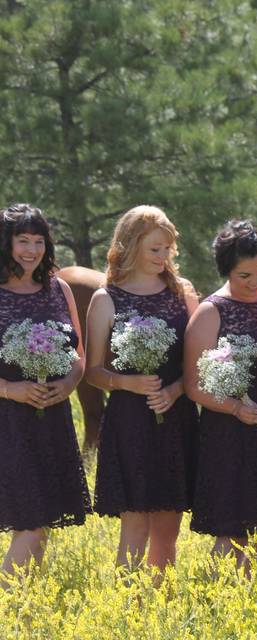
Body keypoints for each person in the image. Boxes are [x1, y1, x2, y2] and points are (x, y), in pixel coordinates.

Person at [84, 206, 199, 573]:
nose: (162, 257)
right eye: (154, 249)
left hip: (176, 415)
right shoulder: (106, 299)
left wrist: (176, 391)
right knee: (135, 523)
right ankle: (127, 610)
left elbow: (197, 363)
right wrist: (127, 383)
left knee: (169, 524)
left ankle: (159, 609)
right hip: (129, 420)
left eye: (167, 248)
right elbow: (92, 372)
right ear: (130, 245)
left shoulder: (183, 293)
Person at [184, 220, 257, 574]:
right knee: (234, 529)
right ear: (226, 271)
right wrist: (236, 408)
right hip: (231, 432)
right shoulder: (211, 311)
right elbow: (193, 385)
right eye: (243, 275)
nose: (255, 281)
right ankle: (221, 603)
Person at [0, 203, 90, 580]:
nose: (32, 250)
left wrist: (68, 383)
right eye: (23, 240)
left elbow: (79, 356)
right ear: (6, 243)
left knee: (44, 518)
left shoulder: (59, 288)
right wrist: (11, 389)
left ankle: (22, 611)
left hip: (52, 418)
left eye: (39, 241)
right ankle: (8, 607)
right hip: (8, 422)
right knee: (32, 521)